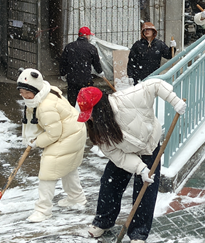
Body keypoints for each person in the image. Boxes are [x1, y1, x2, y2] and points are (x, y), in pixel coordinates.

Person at [77, 80, 186, 240]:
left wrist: (174, 101)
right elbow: (118, 156)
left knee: (145, 189)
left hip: (149, 147)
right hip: (125, 152)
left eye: (92, 114)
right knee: (109, 183)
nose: (90, 120)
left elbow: (155, 85)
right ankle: (103, 221)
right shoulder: (98, 130)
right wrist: (140, 168)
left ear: (101, 108)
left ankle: (138, 233)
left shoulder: (128, 99)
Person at [16, 68, 87, 223]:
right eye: (21, 92)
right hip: (75, 129)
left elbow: (53, 133)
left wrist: (36, 142)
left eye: (26, 92)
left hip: (68, 135)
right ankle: (76, 198)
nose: (23, 95)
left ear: (36, 89)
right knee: (68, 165)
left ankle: (43, 210)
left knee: (48, 171)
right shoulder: (45, 92)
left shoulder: (45, 107)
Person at [60, 26, 104, 107]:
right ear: (87, 36)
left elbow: (63, 62)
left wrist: (63, 73)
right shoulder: (91, 48)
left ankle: (72, 112)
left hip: (72, 79)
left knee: (71, 102)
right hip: (85, 79)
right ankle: (86, 113)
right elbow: (96, 63)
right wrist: (100, 72)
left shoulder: (69, 47)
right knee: (86, 101)